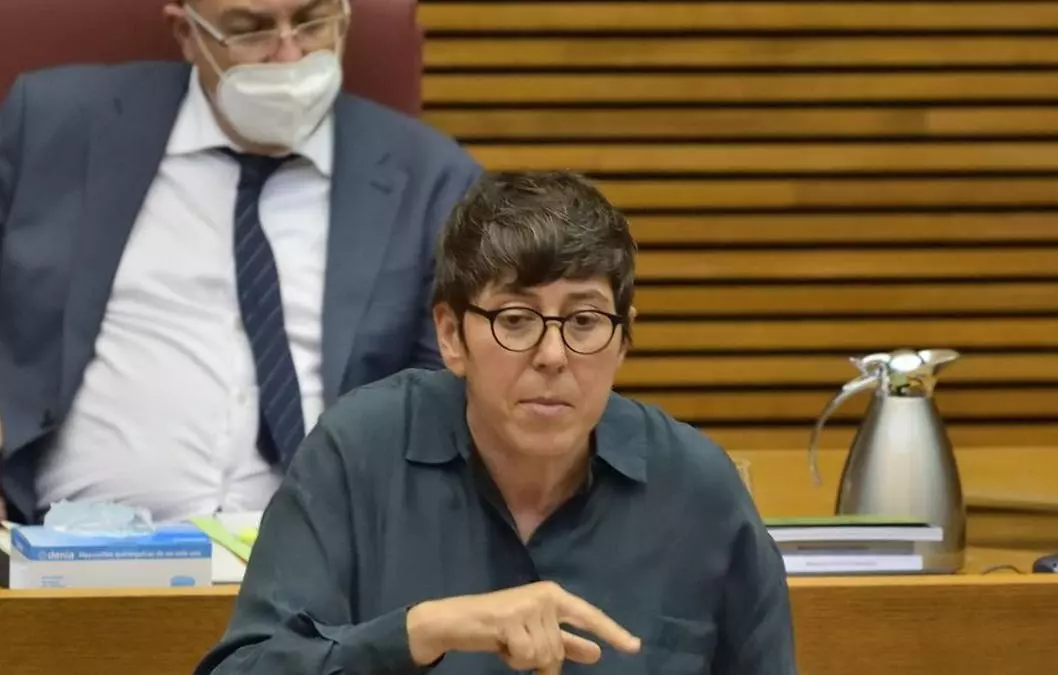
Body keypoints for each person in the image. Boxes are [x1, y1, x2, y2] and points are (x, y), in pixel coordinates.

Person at [194, 171, 797, 675]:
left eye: (585, 321)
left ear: (623, 340)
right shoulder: (357, 456)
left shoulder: (696, 490)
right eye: (515, 319)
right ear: (451, 336)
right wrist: (420, 631)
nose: (553, 356)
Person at [0, 0, 481, 523]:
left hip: (323, 552)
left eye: (313, 21)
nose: (289, 55)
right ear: (187, 33)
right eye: (250, 30)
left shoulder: (432, 180)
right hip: (72, 547)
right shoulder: (54, 126)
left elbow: (449, 398)